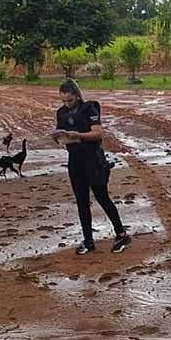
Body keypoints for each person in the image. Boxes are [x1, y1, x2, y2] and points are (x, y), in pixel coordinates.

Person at [51, 79, 131, 254]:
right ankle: (88, 240)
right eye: (63, 101)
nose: (67, 104)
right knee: (81, 201)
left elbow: (97, 133)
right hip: (75, 160)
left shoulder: (89, 109)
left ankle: (121, 233)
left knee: (102, 197)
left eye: (70, 100)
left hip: (93, 159)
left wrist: (77, 134)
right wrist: (58, 137)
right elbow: (60, 134)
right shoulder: (61, 113)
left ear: (77, 96)